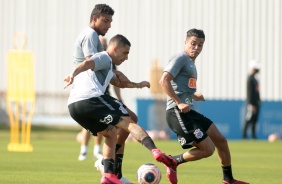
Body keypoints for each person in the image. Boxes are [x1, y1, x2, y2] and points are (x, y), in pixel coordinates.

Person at [64, 34, 177, 184]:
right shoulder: (104, 57)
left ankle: (109, 175)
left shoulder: (107, 66)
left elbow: (119, 83)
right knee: (129, 122)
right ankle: (154, 151)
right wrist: (72, 73)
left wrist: (138, 85)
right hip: (90, 99)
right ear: (115, 49)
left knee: (111, 133)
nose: (126, 57)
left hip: (74, 107)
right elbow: (88, 62)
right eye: (125, 53)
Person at [159, 28, 249, 184]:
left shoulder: (191, 63)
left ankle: (228, 179)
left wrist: (193, 96)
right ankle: (173, 161)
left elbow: (180, 87)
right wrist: (179, 102)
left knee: (221, 141)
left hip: (188, 111)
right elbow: (163, 81)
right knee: (208, 149)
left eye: (200, 45)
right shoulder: (180, 57)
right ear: (185, 42)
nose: (196, 48)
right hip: (176, 112)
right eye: (193, 44)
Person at [73, 4, 137, 183]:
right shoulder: (90, 35)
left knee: (113, 130)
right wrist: (116, 73)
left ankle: (111, 172)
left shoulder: (94, 38)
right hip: (89, 95)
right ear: (94, 19)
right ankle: (108, 167)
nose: (109, 25)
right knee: (128, 120)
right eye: (105, 21)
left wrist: (125, 81)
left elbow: (103, 68)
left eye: (110, 21)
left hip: (93, 94)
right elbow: (91, 62)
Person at [243, 60, 261, 139]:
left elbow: (257, 92)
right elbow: (250, 93)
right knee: (248, 119)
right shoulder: (250, 79)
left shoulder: (255, 79)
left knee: (254, 120)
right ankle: (244, 135)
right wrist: (251, 104)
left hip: (256, 103)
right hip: (251, 104)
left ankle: (253, 136)